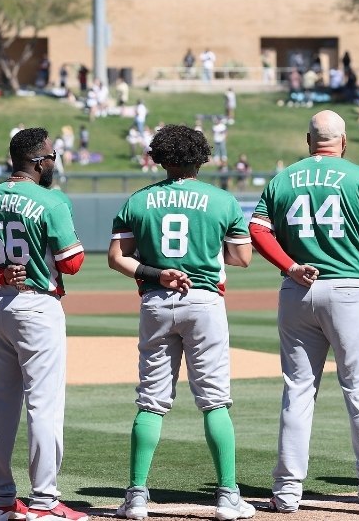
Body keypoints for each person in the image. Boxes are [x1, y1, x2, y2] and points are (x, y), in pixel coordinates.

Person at [248, 110, 359, 515]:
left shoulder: (283, 178)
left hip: (297, 289)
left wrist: (290, 265)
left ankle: (285, 494)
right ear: (344, 140)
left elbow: (258, 229)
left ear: (308, 140)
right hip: (349, 289)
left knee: (298, 391)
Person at [108, 125, 254, 521]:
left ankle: (136, 496)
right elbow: (242, 258)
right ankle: (227, 495)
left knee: (151, 402)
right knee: (214, 401)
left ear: (160, 157)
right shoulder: (222, 201)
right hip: (204, 301)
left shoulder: (138, 201)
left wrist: (158, 273)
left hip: (156, 300)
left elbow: (117, 258)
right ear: (201, 156)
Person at [0, 127, 87, 521]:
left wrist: (2, 276)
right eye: (50, 156)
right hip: (37, 307)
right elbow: (72, 263)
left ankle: (0, 500)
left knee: (0, 406)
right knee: (43, 405)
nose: (54, 161)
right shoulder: (50, 201)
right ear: (37, 161)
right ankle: (45, 503)